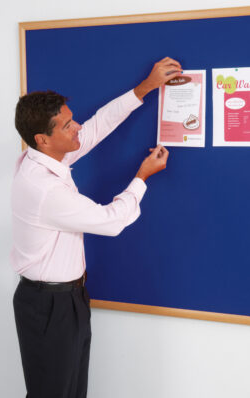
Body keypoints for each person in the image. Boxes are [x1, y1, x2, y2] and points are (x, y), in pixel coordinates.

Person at [11, 57, 182, 398]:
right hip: (48, 305)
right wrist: (142, 177)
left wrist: (145, 88)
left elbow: (97, 125)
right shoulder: (46, 189)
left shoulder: (46, 156)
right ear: (43, 139)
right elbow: (112, 221)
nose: (77, 127)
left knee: (73, 391)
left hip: (69, 298)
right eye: (67, 126)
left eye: (71, 119)